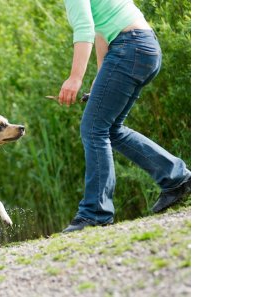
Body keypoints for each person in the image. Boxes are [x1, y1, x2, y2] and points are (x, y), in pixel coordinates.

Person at [58, 0, 191, 232]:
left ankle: (95, 212)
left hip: (129, 48)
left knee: (93, 129)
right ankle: (176, 178)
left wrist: (75, 78)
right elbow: (102, 33)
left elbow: (86, 29)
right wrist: (102, 81)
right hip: (144, 47)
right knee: (111, 129)